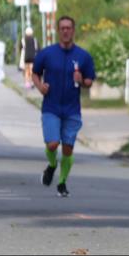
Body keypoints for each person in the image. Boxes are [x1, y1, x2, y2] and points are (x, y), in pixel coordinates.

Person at [32, 16, 96, 197]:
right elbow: (35, 73)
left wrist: (82, 81)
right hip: (51, 107)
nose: (66, 31)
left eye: (69, 28)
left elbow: (90, 80)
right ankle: (52, 166)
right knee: (52, 144)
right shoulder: (47, 53)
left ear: (73, 31)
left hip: (72, 109)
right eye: (62, 28)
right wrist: (40, 87)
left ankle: (61, 183)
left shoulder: (83, 56)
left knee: (68, 149)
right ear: (58, 31)